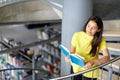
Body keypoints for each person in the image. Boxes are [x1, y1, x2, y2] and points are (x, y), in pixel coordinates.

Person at [65, 16, 110, 80]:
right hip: (76, 68)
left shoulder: (101, 40)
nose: (89, 29)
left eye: (93, 28)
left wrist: (93, 61)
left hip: (91, 71)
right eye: (88, 26)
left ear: (98, 29)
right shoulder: (77, 35)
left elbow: (107, 57)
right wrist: (68, 57)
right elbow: (72, 51)